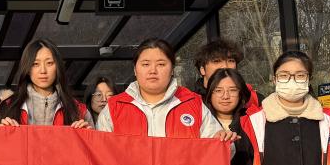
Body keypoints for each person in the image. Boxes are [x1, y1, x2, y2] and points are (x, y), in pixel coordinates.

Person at [97, 38, 233, 141]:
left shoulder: (192, 103)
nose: (153, 70)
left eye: (161, 64)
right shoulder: (115, 107)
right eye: (145, 64)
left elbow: (219, 151)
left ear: (172, 69)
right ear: (135, 69)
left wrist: (223, 140)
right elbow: (100, 153)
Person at [0, 40, 91, 128]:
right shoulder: (7, 107)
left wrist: (87, 135)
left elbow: (94, 141)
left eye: (49, 63)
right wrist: (0, 134)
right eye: (35, 64)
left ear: (58, 66)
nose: (43, 71)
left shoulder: (79, 110)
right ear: (27, 68)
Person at [193, 38, 261, 112]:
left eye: (230, 61)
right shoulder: (192, 102)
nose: (225, 66)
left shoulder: (253, 99)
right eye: (217, 61)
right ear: (202, 70)